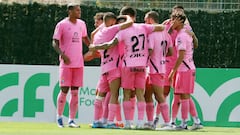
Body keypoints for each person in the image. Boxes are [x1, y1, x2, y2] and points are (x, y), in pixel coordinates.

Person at [89, 6, 165, 129]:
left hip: (123, 65)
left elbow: (110, 44)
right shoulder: (142, 27)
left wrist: (94, 48)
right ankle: (140, 122)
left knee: (122, 94)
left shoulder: (114, 31)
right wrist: (167, 25)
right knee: (139, 94)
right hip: (140, 65)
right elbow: (160, 27)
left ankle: (124, 123)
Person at [91, 12, 133, 128]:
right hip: (114, 67)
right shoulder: (111, 29)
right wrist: (127, 16)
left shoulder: (98, 34)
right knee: (114, 94)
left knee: (100, 96)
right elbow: (130, 23)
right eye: (114, 22)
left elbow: (93, 37)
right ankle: (110, 122)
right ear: (111, 22)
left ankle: (96, 121)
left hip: (104, 67)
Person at [52, 3, 90, 128]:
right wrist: (62, 55)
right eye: (77, 10)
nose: (79, 12)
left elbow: (85, 38)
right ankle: (59, 117)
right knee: (64, 90)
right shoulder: (62, 24)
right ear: (70, 11)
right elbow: (55, 42)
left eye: (80, 10)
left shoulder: (82, 24)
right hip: (66, 64)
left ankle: (71, 120)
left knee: (75, 92)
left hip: (78, 63)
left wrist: (92, 48)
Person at [168, 12, 202, 130]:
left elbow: (181, 56)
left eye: (173, 20)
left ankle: (184, 123)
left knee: (184, 96)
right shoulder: (185, 33)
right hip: (187, 68)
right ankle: (185, 122)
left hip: (185, 69)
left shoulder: (181, 36)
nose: (171, 23)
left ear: (179, 21)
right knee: (183, 96)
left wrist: (173, 71)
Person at [143, 11, 173, 129]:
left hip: (153, 68)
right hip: (160, 67)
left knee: (159, 96)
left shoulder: (152, 34)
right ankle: (150, 123)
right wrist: (161, 56)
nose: (145, 22)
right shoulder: (166, 33)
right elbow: (171, 52)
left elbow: (149, 51)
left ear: (150, 20)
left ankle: (167, 123)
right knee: (147, 95)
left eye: (146, 20)